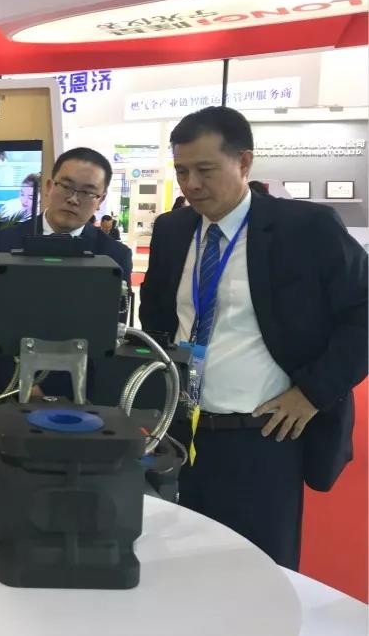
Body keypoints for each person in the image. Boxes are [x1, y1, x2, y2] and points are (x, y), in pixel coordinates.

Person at [140, 106, 367, 570]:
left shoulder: (306, 229)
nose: (191, 184)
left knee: (259, 574)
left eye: (205, 170)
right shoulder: (173, 230)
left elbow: (362, 313)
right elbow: (157, 318)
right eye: (182, 171)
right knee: (178, 569)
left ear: (243, 162)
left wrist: (313, 393)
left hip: (262, 438)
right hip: (181, 434)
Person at [0, 147, 133, 397]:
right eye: (66, 186)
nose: (73, 199)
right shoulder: (5, 241)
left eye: (87, 192)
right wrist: (16, 381)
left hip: (79, 390)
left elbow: (111, 334)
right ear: (50, 186)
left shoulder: (114, 255)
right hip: (9, 384)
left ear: (100, 199)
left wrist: (50, 387)